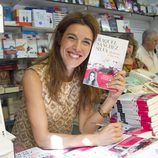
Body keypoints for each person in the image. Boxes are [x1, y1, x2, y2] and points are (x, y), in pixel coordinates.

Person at [12, 12, 126, 151]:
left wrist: (111, 99)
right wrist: (97, 138)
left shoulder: (84, 77)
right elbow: (42, 139)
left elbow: (85, 128)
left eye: (86, 42)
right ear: (60, 38)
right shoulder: (34, 76)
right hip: (27, 151)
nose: (78, 48)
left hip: (59, 150)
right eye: (72, 38)